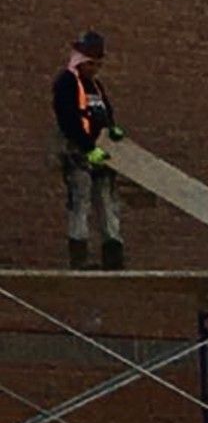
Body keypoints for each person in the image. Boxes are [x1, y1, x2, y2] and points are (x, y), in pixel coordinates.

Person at [52, 31, 125, 269]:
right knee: (80, 201)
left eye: (98, 64)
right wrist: (88, 147)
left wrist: (113, 130)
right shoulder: (66, 83)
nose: (94, 68)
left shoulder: (96, 86)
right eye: (91, 63)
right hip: (78, 154)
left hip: (102, 154)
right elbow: (69, 120)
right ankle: (79, 257)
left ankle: (113, 255)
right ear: (81, 60)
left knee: (107, 202)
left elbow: (105, 112)